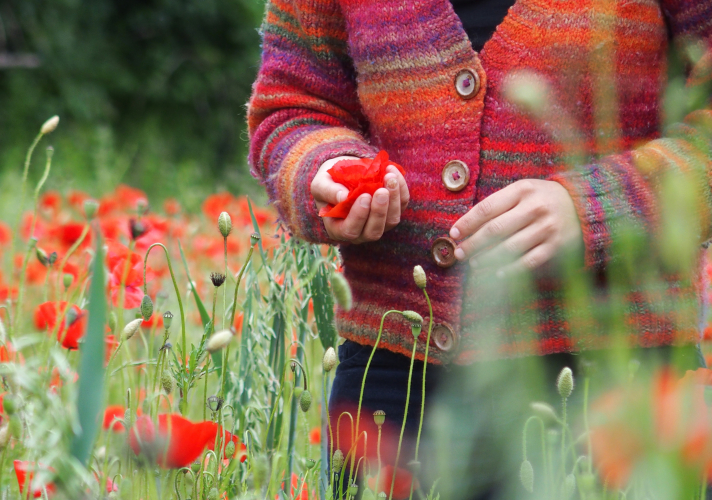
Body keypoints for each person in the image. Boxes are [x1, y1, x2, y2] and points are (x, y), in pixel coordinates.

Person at [247, 0, 712, 498]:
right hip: (391, 381)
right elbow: (292, 106)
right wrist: (327, 167)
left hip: (617, 377)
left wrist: (599, 207)